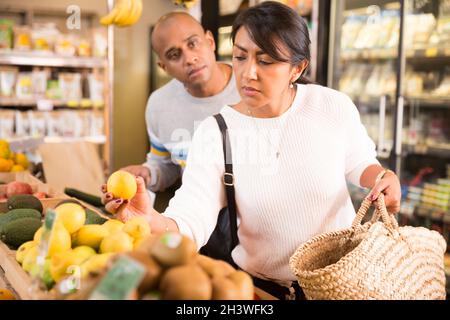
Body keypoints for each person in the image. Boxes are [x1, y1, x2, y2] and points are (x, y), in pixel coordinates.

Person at [102, 1, 401, 299]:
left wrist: (382, 177)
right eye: (240, 57)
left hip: (342, 283)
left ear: (297, 68)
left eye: (265, 61)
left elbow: (361, 161)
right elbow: (191, 218)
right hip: (263, 290)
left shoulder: (331, 106)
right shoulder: (215, 133)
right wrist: (150, 219)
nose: (248, 73)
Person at [119, 11, 240, 195]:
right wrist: (148, 174)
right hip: (196, 219)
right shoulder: (159, 106)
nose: (190, 58)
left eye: (193, 43)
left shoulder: (250, 87)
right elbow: (166, 164)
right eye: (175, 54)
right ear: (164, 67)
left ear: (210, 41)